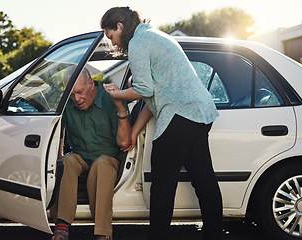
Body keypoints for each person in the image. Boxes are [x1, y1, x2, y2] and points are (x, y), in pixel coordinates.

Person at [100, 7, 223, 240]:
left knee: (162, 185)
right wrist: (135, 131)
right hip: (200, 112)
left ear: (119, 26)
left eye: (111, 36)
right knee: (204, 179)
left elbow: (144, 90)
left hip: (179, 114)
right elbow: (152, 96)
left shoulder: (138, 42)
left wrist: (116, 95)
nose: (113, 43)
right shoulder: (156, 35)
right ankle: (214, 234)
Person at [50, 68, 131, 240]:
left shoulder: (110, 99)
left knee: (101, 164)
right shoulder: (68, 104)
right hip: (81, 157)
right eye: (72, 95)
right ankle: (62, 225)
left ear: (91, 84)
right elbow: (57, 135)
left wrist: (121, 109)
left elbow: (124, 142)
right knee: (67, 161)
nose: (76, 99)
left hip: (107, 158)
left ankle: (103, 234)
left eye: (79, 92)